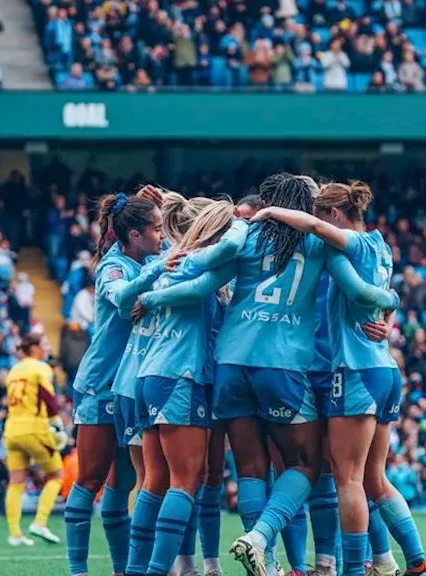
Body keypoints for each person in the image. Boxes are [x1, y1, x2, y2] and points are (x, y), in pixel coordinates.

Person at [149, 173, 400, 576]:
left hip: (230, 361)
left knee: (250, 467)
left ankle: (265, 562)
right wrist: (390, 304)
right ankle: (276, 544)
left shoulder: (244, 236)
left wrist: (155, 285)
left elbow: (204, 283)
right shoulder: (319, 241)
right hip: (284, 363)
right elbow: (359, 287)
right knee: (309, 462)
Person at [252, 182, 426, 576]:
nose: (317, 221)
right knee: (374, 479)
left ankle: (353, 569)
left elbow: (318, 234)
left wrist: (270, 213)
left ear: (334, 214)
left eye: (320, 214)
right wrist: (390, 311)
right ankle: (416, 563)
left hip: (354, 370)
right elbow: (378, 292)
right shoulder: (381, 245)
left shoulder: (350, 244)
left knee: (346, 479)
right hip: (383, 368)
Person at [125, 199, 237, 576]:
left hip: (150, 377)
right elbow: (205, 285)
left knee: (155, 481)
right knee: (185, 483)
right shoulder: (196, 262)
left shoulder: (170, 262)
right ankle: (159, 570)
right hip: (181, 377)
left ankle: (137, 570)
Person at [64, 189, 165, 576]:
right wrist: (159, 267)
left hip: (132, 386)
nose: (161, 235)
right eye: (155, 228)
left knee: (122, 484)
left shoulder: (150, 256)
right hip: (101, 384)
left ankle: (122, 571)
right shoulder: (113, 266)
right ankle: (78, 571)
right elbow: (122, 299)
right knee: (90, 479)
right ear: (134, 235)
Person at [3, 333, 67, 546]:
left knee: (16, 482)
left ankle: (14, 534)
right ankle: (39, 523)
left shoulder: (14, 370)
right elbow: (48, 398)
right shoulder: (41, 368)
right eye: (45, 344)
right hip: (33, 429)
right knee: (56, 475)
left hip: (12, 429)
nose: (47, 348)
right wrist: (57, 423)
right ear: (35, 348)